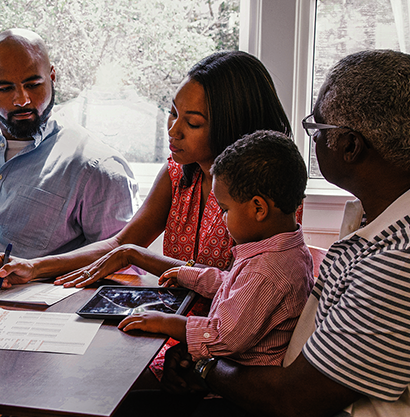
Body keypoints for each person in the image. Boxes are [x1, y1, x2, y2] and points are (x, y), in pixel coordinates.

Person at [163, 49, 410, 417]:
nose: (311, 138)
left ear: (350, 146)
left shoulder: (396, 261)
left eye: (318, 129)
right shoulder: (372, 221)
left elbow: (293, 400)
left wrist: (201, 367)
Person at [0, 50, 293, 290]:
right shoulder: (177, 174)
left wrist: (136, 256)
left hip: (221, 341)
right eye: (173, 112)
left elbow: (241, 287)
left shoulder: (269, 192)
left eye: (193, 122)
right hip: (169, 323)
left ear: (231, 125)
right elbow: (121, 243)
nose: (173, 130)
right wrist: (34, 267)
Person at [120, 130, 313, 370]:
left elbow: (223, 336)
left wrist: (164, 322)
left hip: (237, 389)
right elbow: (234, 284)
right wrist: (188, 273)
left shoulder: (265, 271)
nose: (221, 218)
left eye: (225, 209)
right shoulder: (286, 250)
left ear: (258, 209)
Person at [0, 28, 139, 260]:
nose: (22, 100)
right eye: (5, 89)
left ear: (52, 77)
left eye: (33, 84)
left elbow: (121, 269)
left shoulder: (97, 169)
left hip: (30, 295)